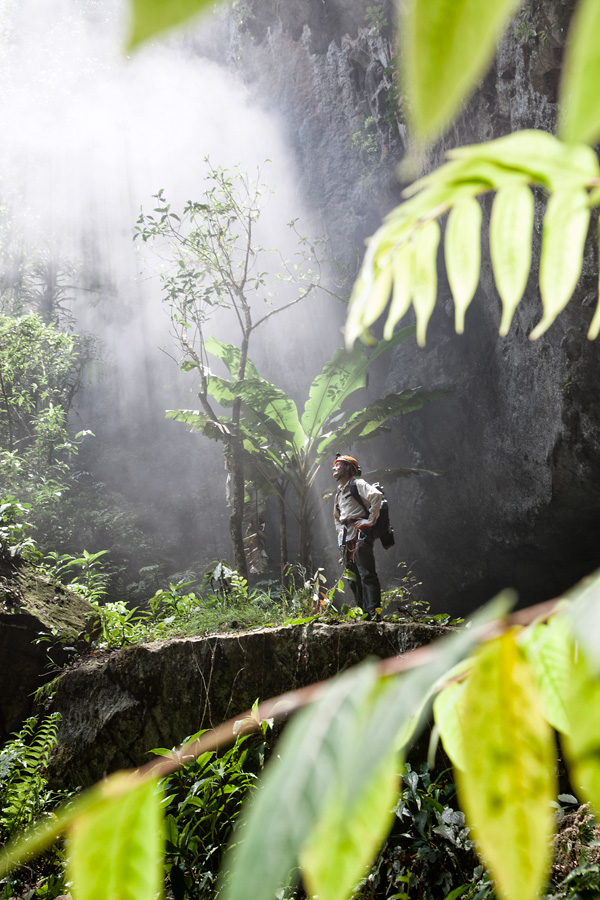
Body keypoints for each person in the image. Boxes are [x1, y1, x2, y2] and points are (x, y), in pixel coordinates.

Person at [333, 454, 383, 616]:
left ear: (347, 468)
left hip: (360, 535)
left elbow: (376, 495)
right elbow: (336, 517)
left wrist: (370, 520)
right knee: (353, 579)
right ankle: (362, 612)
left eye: (337, 465)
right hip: (346, 539)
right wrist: (340, 538)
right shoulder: (339, 493)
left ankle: (373, 612)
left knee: (367, 575)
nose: (334, 468)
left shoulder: (357, 484)